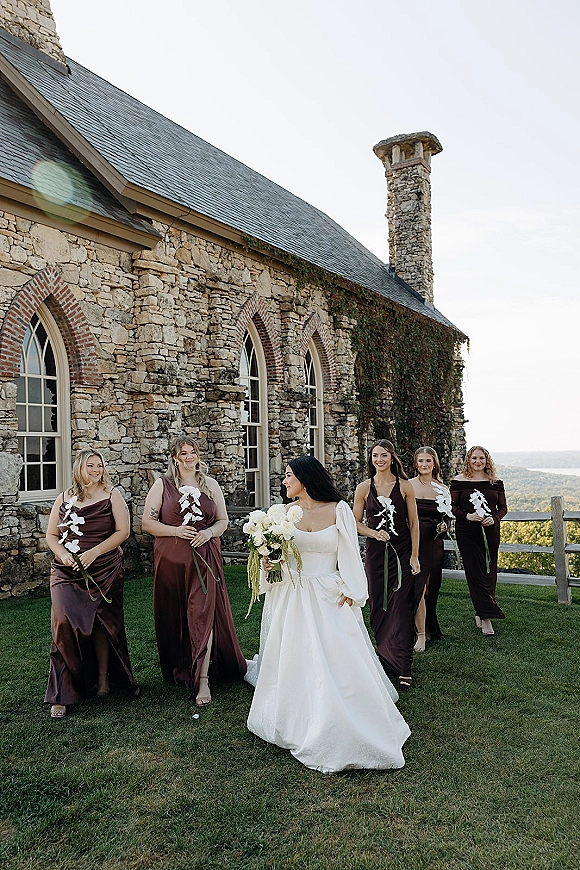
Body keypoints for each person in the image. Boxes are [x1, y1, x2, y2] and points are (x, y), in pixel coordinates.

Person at [245, 456, 410, 773]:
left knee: (337, 657)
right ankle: (293, 717)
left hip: (327, 594)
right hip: (290, 595)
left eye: (289, 475)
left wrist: (353, 589)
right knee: (293, 654)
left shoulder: (339, 509)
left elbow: (349, 551)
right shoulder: (284, 515)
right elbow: (280, 555)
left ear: (306, 479)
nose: (284, 481)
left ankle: (343, 716)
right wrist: (270, 562)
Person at [142, 435, 246, 705]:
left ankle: (203, 680)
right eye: (184, 453)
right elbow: (147, 524)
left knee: (203, 612)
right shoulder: (162, 485)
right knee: (176, 614)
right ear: (174, 457)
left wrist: (209, 532)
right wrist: (176, 530)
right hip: (171, 561)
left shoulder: (210, 485)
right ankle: (181, 663)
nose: (190, 457)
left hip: (205, 557)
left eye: (193, 452)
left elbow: (222, 520)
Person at [45, 449, 140, 718]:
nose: (96, 470)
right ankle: (62, 692)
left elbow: (123, 531)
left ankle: (103, 681)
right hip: (66, 571)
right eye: (91, 465)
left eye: (99, 465)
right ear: (79, 468)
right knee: (63, 624)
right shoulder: (63, 498)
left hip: (104, 568)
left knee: (103, 624)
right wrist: (63, 554)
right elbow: (52, 535)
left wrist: (94, 552)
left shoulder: (112, 494)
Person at [353, 439, 420, 690]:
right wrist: (373, 533)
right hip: (375, 556)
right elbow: (355, 523)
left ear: (392, 458)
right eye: (374, 455)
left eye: (383, 455)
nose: (379, 459)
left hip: (402, 554)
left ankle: (404, 665)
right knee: (378, 606)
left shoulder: (405, 486)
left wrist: (414, 556)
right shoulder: (363, 488)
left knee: (401, 606)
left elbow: (413, 523)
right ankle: (384, 655)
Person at [450, 446, 507, 636]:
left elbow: (502, 508)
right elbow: (452, 508)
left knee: (489, 571)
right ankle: (486, 618)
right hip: (467, 532)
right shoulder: (458, 481)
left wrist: (495, 518)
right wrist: (468, 516)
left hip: (490, 531)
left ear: (487, 460)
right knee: (474, 572)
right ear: (468, 460)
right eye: (474, 458)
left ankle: (481, 610)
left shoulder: (496, 482)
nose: (477, 461)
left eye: (481, 458)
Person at [409, 447, 449, 651]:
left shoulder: (442, 489)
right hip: (414, 544)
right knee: (419, 588)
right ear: (416, 464)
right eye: (420, 461)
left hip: (434, 545)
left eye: (428, 461)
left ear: (434, 463)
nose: (424, 465)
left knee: (431, 590)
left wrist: (444, 527)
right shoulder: (408, 486)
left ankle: (429, 627)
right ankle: (420, 635)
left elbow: (447, 518)